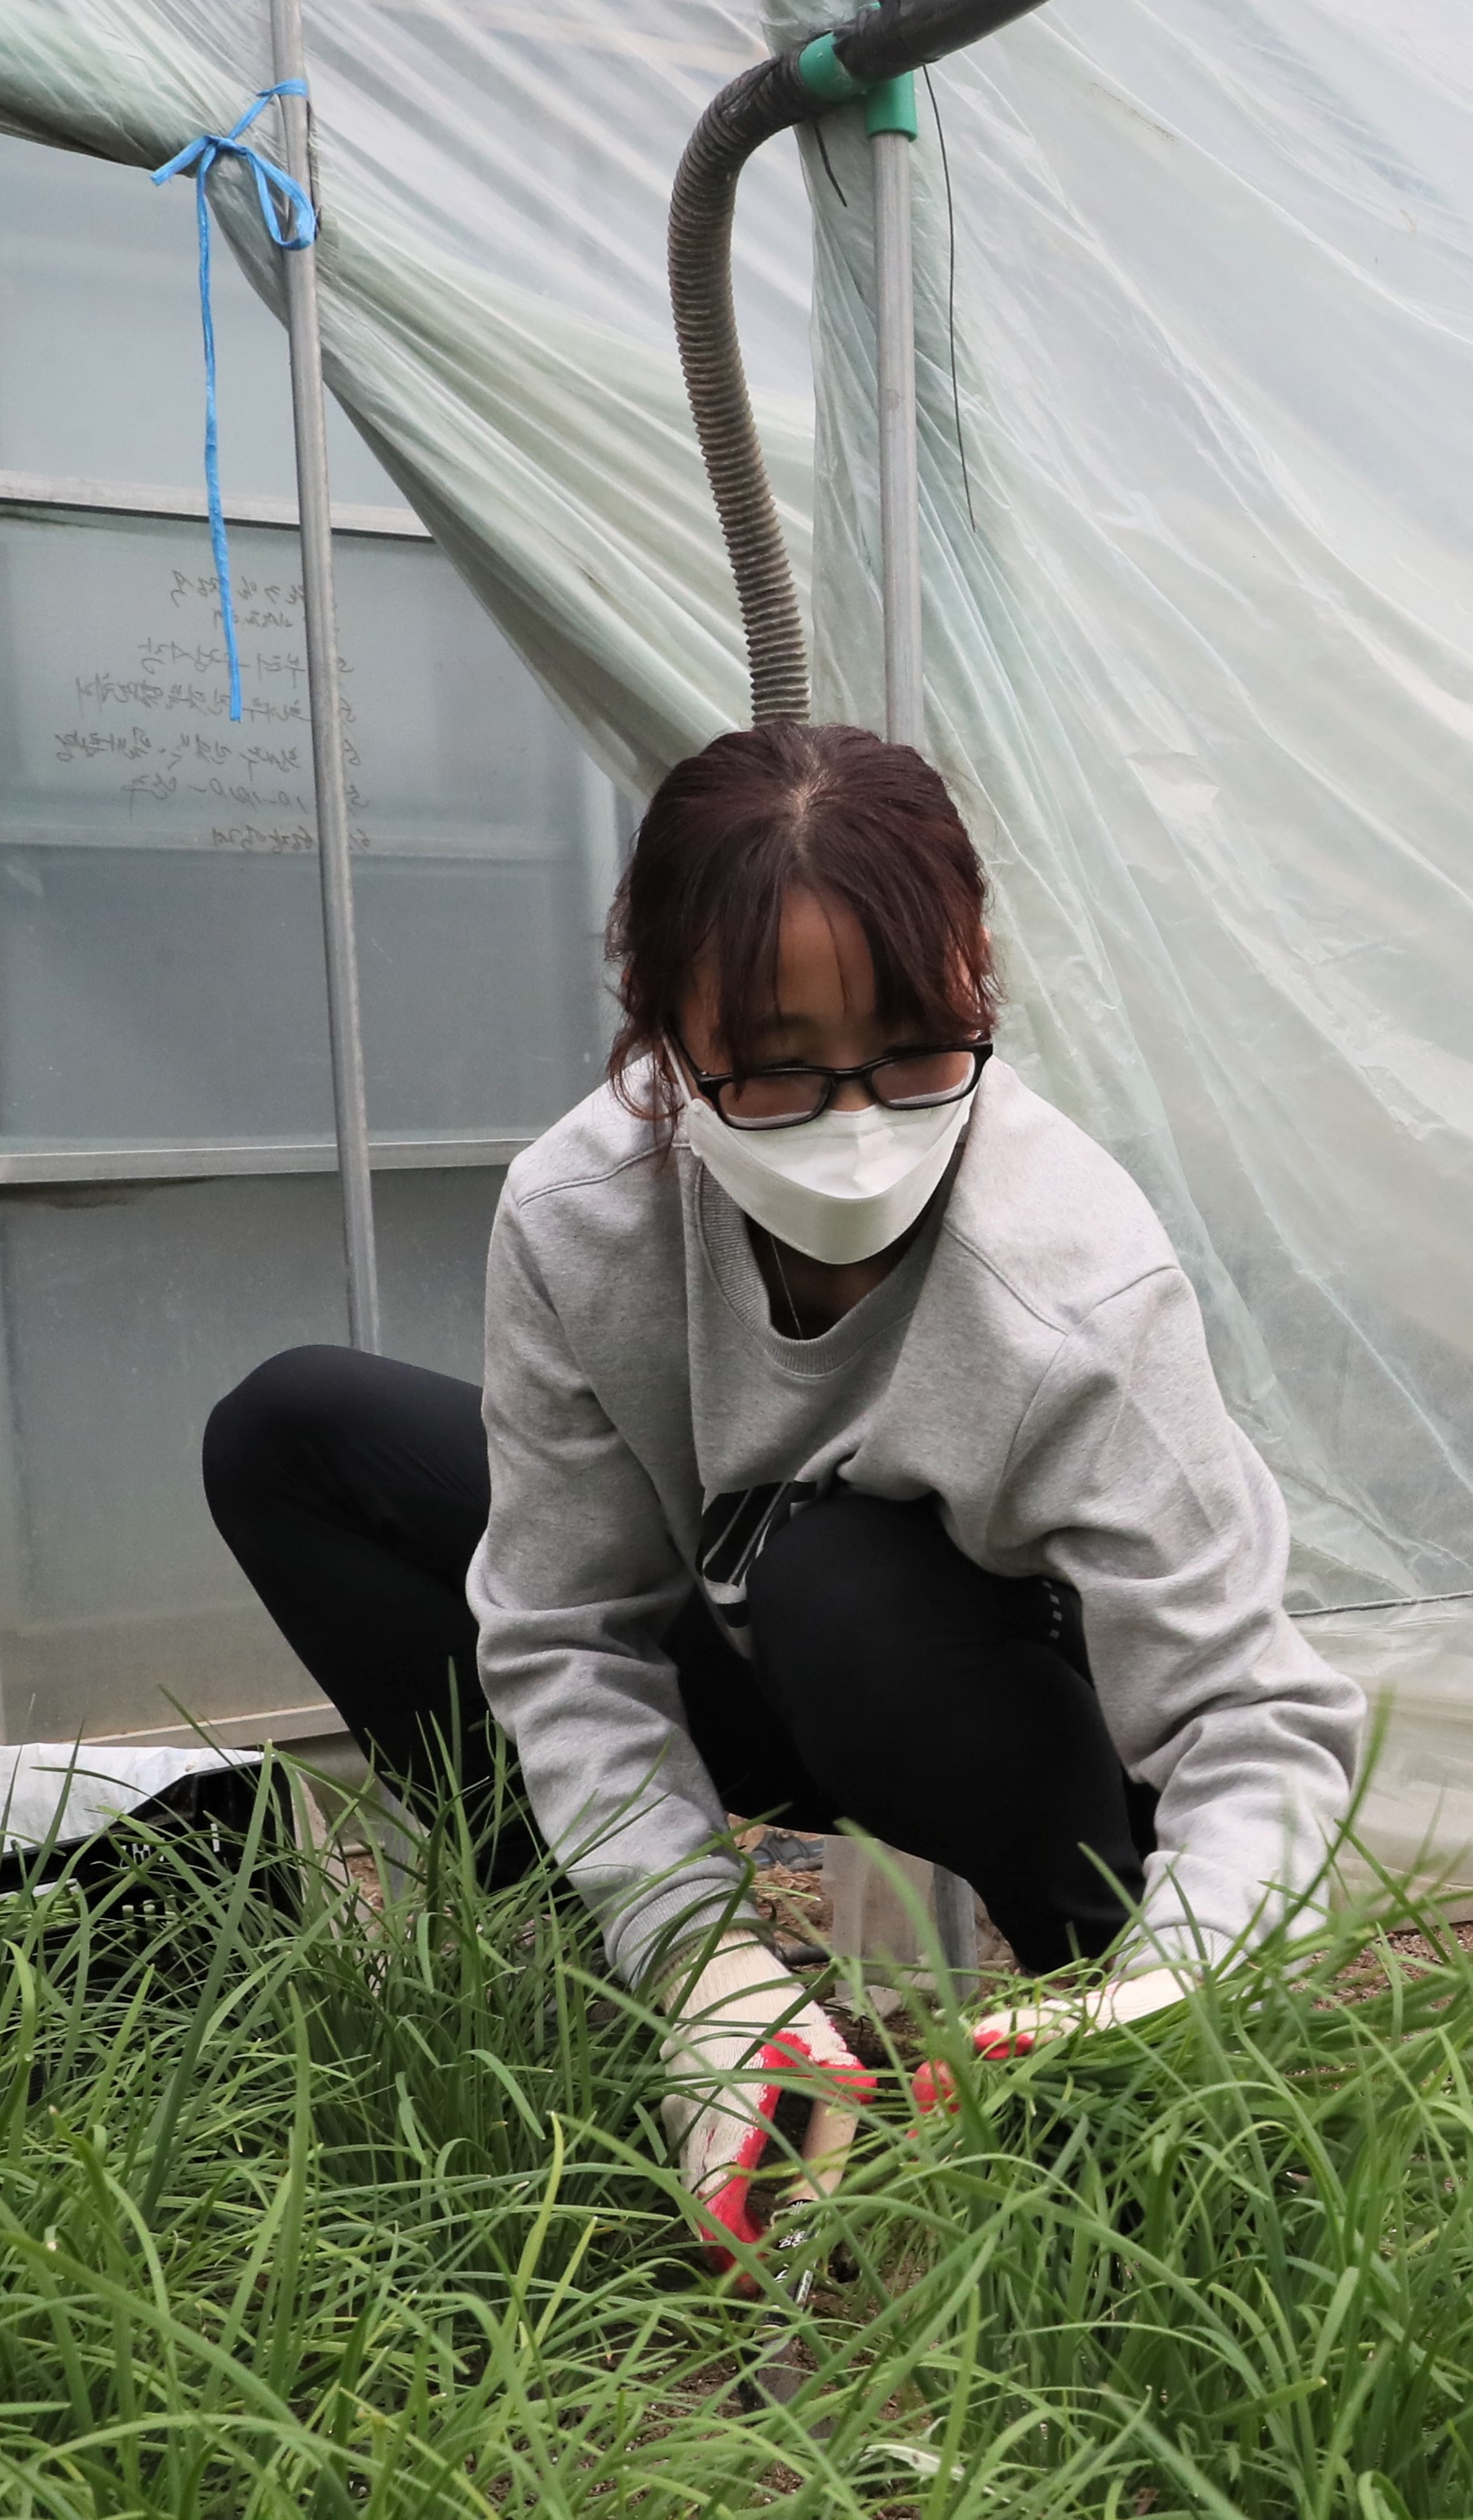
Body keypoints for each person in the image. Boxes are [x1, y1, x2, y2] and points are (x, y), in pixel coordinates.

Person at [204, 722, 1362, 2253]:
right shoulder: (581, 1219)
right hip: (749, 1654)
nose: (857, 1120)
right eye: (774, 1068)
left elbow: (1247, 1717)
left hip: (1005, 1703)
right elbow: (564, 1627)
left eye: (912, 1048)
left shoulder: (1071, 1280)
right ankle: (698, 2035)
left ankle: (1102, 2048)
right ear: (663, 1034)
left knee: (841, 1580)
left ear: (976, 983)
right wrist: (704, 1962)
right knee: (298, 1435)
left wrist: (1187, 1965)